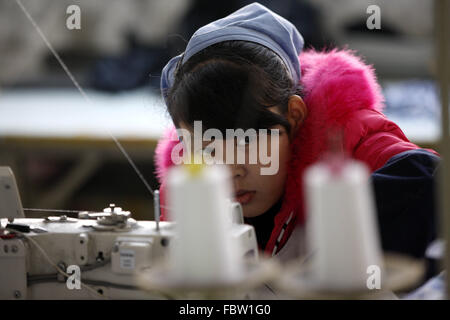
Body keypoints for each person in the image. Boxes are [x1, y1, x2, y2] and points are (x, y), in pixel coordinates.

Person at [153, 2, 440, 263]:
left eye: (248, 142)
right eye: (208, 150)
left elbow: (428, 177)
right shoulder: (186, 196)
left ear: (294, 114)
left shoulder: (358, 147)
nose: (231, 170)